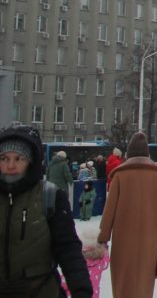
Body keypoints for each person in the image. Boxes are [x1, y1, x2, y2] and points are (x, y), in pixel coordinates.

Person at [0, 123, 93, 298]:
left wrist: (81, 291)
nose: (10, 165)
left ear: (30, 161)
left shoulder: (50, 196)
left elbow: (68, 248)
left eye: (18, 158)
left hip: (40, 292)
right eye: (4, 158)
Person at [98, 131, 157, 298]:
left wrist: (103, 237)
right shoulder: (156, 175)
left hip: (123, 237)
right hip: (149, 237)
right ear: (147, 153)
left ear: (128, 153)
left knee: (123, 279)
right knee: (144, 280)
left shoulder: (120, 175)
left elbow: (110, 208)